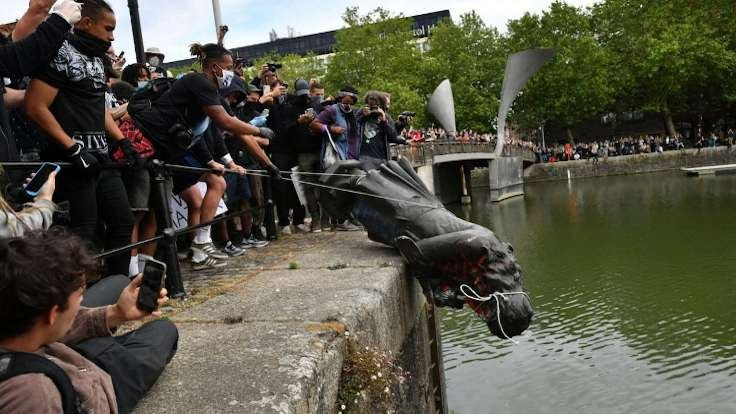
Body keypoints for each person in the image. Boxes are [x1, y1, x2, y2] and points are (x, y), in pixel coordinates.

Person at [131, 42, 277, 269]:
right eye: (228, 66)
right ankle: (193, 247)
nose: (231, 71)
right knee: (143, 213)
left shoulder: (211, 94)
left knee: (153, 213)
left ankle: (147, 268)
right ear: (215, 67)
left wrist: (266, 164)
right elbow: (226, 123)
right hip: (147, 146)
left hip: (168, 151)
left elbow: (205, 134)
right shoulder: (197, 81)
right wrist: (258, 130)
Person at [0, 229, 178, 414]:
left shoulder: (17, 316)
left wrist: (115, 313)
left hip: (60, 351)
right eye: (79, 296)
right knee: (164, 330)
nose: (81, 301)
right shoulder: (34, 395)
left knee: (118, 281)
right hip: (97, 385)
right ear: (52, 314)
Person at [24, 0, 137, 277]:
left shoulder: (99, 60)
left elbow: (97, 107)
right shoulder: (58, 52)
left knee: (123, 222)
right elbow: (34, 106)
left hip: (100, 159)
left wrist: (122, 141)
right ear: (86, 23)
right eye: (108, 28)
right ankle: (74, 308)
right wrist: (72, 149)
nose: (112, 36)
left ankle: (115, 294)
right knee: (82, 233)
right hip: (70, 162)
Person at [356, 91, 403, 170]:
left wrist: (384, 121)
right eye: (371, 105)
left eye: (377, 106)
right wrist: (363, 117)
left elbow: (393, 137)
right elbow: (352, 128)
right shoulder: (361, 113)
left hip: (381, 159)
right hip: (363, 157)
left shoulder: (386, 117)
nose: (374, 109)